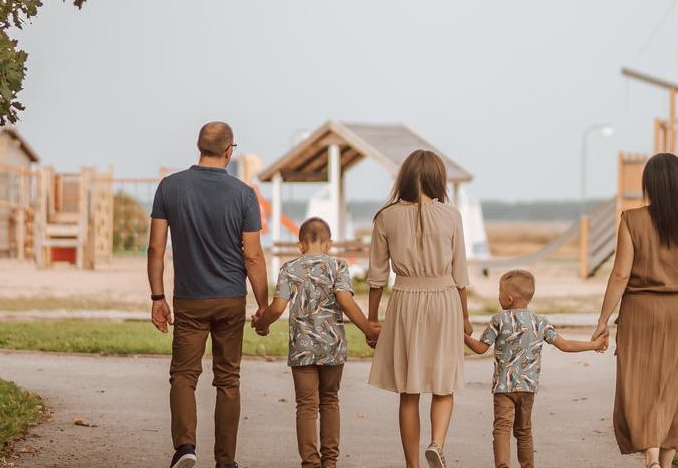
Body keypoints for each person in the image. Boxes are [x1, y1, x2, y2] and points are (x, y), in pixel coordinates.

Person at [148, 122, 269, 468]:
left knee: (184, 375)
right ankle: (225, 461)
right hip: (231, 297)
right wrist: (263, 307)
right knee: (228, 378)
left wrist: (158, 298)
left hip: (189, 298)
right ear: (230, 151)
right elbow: (253, 256)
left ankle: (185, 447)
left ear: (198, 147)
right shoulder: (244, 194)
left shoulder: (170, 187)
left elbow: (156, 248)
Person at [591, 153, 678, 468]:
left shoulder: (632, 221)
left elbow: (620, 275)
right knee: (674, 384)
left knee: (639, 382)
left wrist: (603, 319)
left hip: (640, 311)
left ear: (649, 185)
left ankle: (651, 455)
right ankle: (667, 460)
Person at [365, 149, 471, 468]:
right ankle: (436, 444)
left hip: (405, 299)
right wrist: (465, 319)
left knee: (408, 391)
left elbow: (376, 277)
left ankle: (412, 464)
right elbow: (461, 274)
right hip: (445, 298)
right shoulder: (451, 215)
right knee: (444, 382)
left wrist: (371, 320)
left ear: (405, 177)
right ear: (439, 179)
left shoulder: (386, 216)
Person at [251, 218, 380, 468]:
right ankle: (330, 462)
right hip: (332, 347)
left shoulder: (289, 268)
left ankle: (310, 463)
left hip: (302, 349)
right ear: (329, 244)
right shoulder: (339, 267)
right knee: (330, 400)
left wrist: (261, 324)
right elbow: (345, 300)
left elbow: (277, 307)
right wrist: (367, 329)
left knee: (306, 405)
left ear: (300, 245)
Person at [464, 269, 605, 468]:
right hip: (528, 388)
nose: (498, 297)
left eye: (499, 293)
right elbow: (565, 345)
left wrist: (462, 336)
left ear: (509, 298)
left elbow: (479, 349)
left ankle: (503, 465)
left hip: (504, 388)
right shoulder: (540, 322)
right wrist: (594, 345)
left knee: (502, 429)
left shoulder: (499, 320)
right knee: (524, 431)